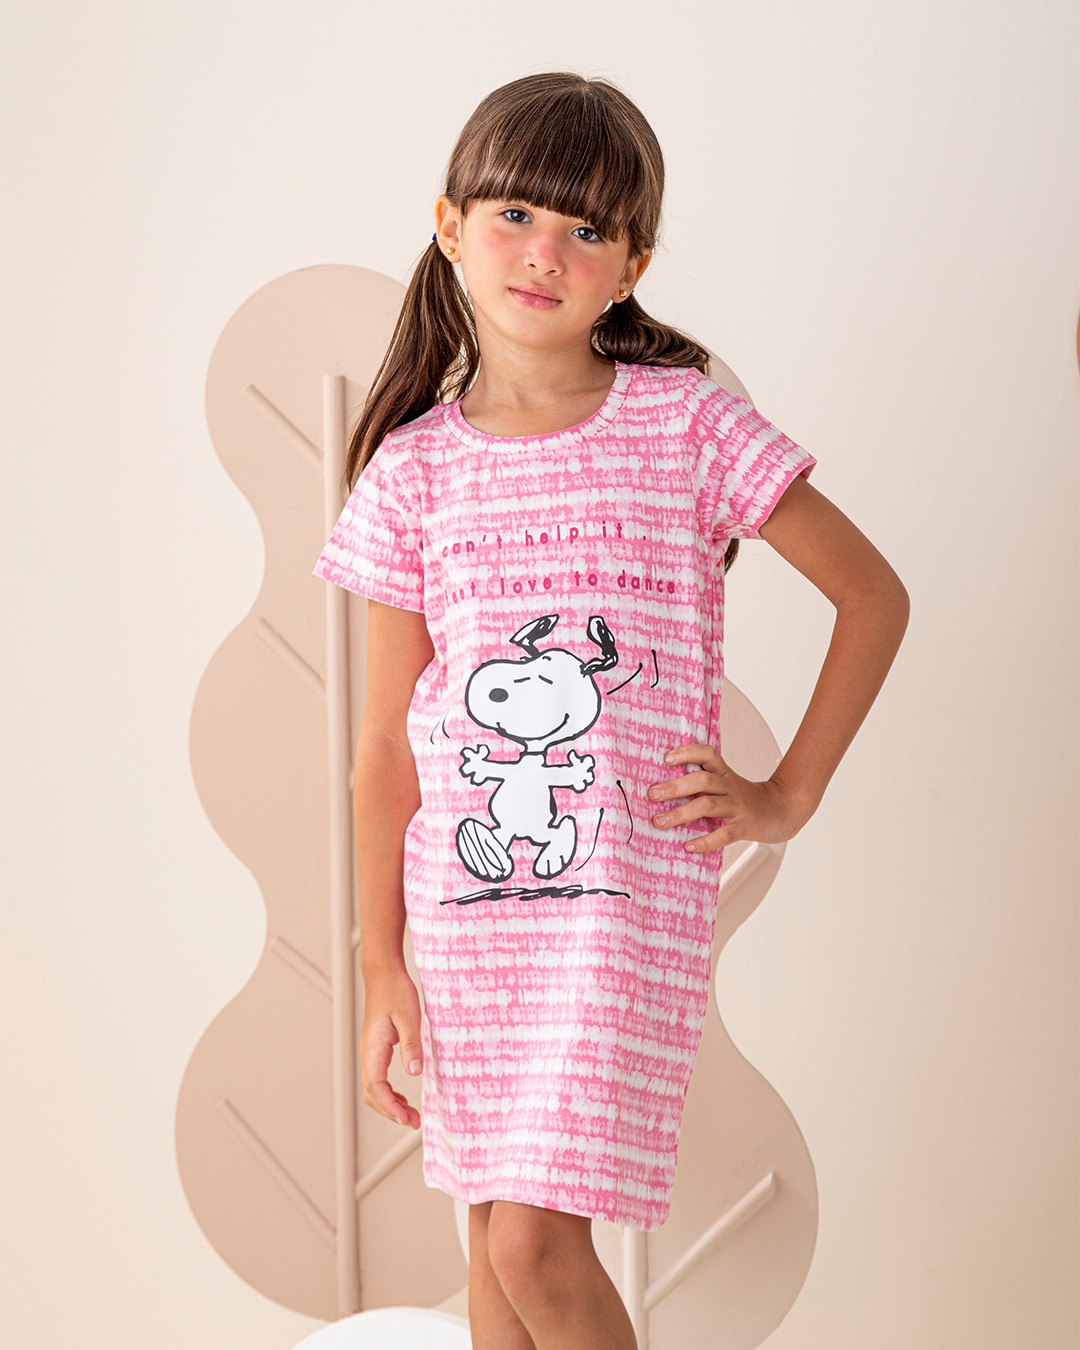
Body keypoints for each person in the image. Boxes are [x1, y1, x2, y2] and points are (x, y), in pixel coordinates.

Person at [314, 71, 908, 1350]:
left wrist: (786, 795)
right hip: (464, 915)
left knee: (532, 1246)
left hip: (615, 910)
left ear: (632, 265)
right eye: (517, 214)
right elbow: (382, 748)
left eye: (587, 228)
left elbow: (873, 596)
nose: (546, 252)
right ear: (450, 224)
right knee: (490, 1251)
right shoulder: (412, 470)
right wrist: (380, 961)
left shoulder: (686, 425)